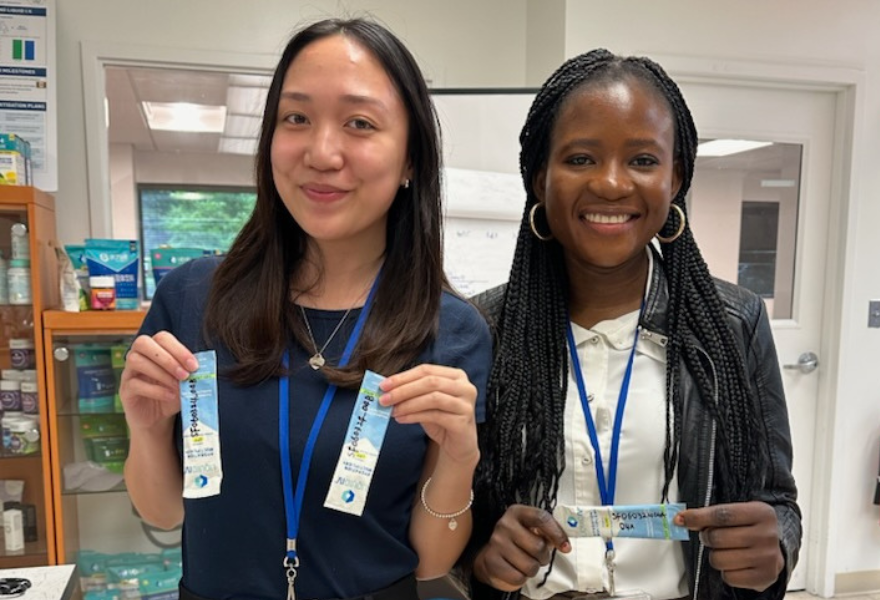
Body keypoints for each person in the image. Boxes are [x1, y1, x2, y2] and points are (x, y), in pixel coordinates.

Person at [120, 18, 492, 600]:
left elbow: (429, 562)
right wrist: (145, 431)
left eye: (360, 124)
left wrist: (458, 459)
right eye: (296, 118)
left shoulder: (451, 332)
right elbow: (164, 512)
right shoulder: (193, 299)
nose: (322, 152)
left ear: (412, 159)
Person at [467, 49, 800, 600]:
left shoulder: (733, 325)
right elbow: (451, 510)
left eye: (643, 161)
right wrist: (480, 556)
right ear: (538, 178)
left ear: (676, 178)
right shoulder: (483, 329)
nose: (613, 184)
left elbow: (778, 501)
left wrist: (779, 544)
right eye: (580, 159)